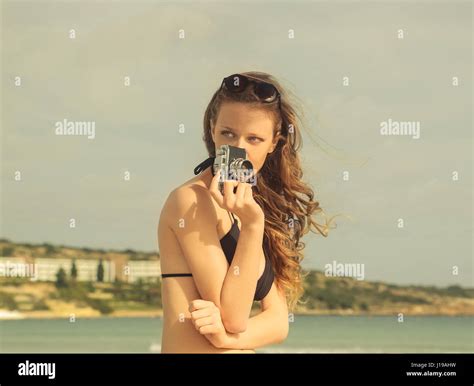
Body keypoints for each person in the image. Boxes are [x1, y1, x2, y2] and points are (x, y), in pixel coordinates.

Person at [158, 72, 332, 353]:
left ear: (273, 143)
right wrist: (252, 226)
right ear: (212, 129)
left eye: (254, 139)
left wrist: (227, 340)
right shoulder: (190, 201)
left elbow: (277, 323)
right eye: (228, 133)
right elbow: (234, 318)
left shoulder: (253, 207)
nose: (238, 149)